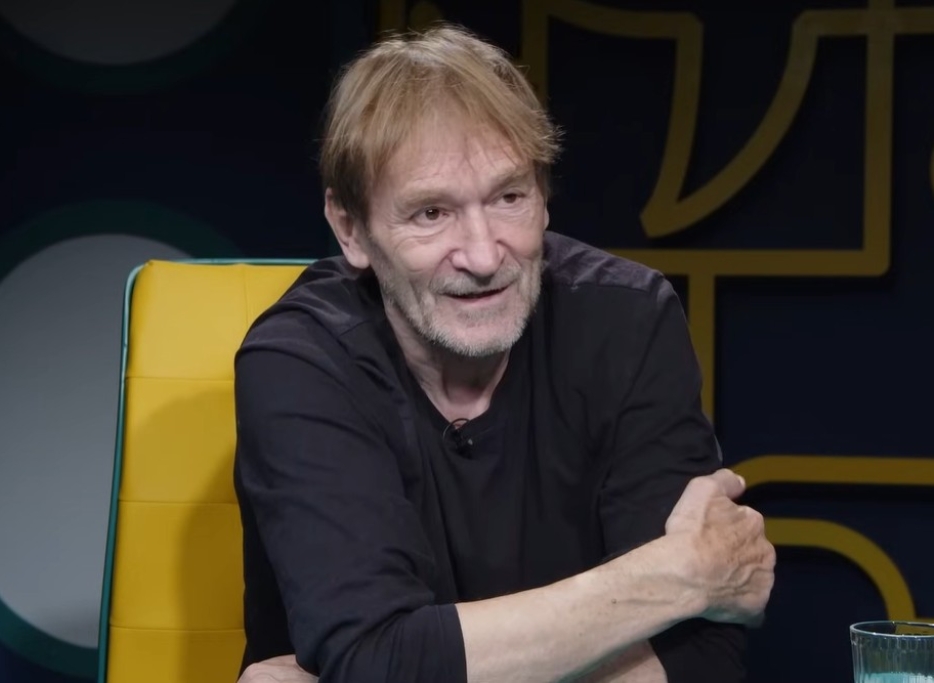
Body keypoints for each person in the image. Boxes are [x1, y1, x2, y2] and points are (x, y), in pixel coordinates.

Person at [233, 22, 775, 683]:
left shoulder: (628, 321)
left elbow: (700, 659)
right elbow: (374, 657)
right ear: (351, 229)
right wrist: (677, 575)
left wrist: (413, 662)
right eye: (431, 213)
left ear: (543, 199)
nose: (484, 255)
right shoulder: (298, 360)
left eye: (508, 197)